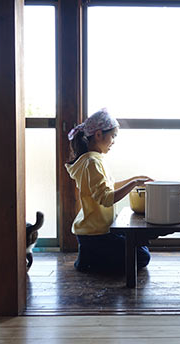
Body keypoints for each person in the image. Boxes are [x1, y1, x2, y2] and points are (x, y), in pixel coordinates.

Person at [65, 108, 153, 273]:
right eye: (113, 136)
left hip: (97, 231)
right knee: (143, 257)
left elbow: (109, 187)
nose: (113, 141)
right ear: (98, 135)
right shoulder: (92, 162)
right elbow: (106, 198)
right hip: (95, 234)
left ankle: (91, 256)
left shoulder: (93, 159)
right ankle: (90, 259)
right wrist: (134, 183)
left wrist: (135, 179)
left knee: (140, 243)